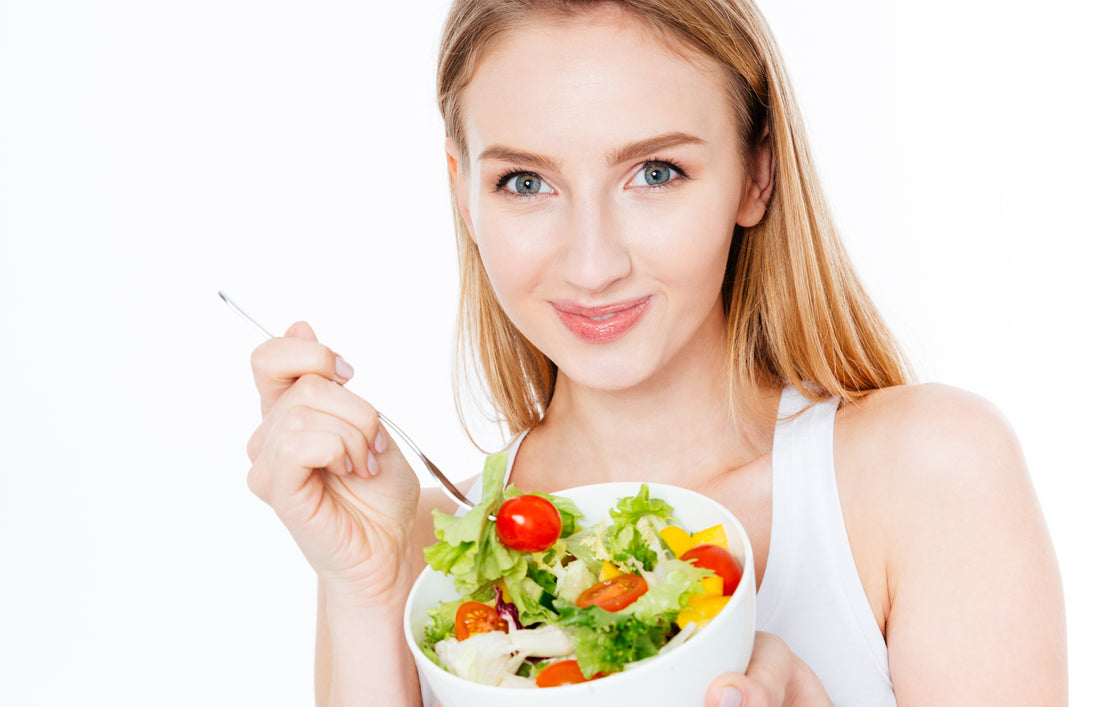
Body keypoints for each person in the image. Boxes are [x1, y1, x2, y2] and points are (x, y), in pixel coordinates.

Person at [244, 0, 1067, 705]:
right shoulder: (422, 546)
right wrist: (362, 593)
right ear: (463, 191)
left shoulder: (926, 476)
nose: (592, 263)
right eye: (526, 183)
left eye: (656, 172)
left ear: (756, 175)